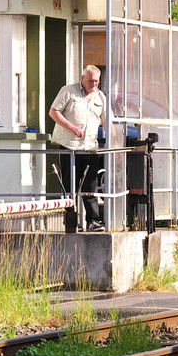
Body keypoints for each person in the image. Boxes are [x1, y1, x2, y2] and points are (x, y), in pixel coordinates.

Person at [50, 64, 107, 231]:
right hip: (70, 146)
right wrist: (71, 127)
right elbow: (54, 112)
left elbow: (107, 121)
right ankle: (72, 221)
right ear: (83, 78)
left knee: (90, 185)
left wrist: (114, 139)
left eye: (96, 81)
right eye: (90, 81)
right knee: (70, 185)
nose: (93, 84)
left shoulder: (100, 97)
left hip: (90, 146)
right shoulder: (68, 91)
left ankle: (93, 222)